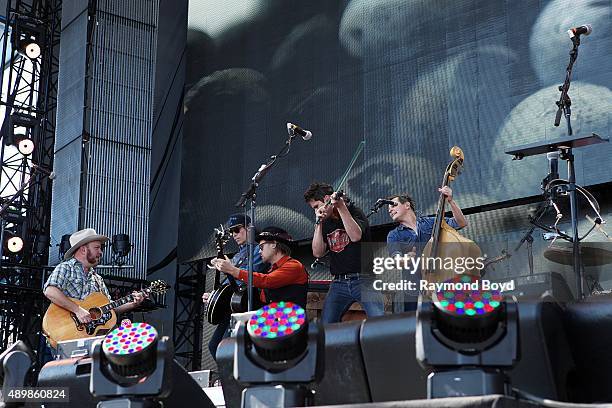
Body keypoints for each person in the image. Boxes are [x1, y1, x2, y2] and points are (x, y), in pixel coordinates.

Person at [43, 228, 145, 350]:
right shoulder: (66, 268)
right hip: (63, 334)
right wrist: (78, 310)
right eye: (97, 248)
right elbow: (50, 291)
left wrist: (132, 303)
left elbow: (109, 307)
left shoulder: (98, 279)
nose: (101, 252)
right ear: (83, 249)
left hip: (89, 340)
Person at [304, 182, 385, 323]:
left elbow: (355, 236)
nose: (316, 210)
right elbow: (318, 252)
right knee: (326, 324)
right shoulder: (325, 222)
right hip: (339, 282)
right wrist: (318, 223)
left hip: (363, 279)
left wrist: (340, 206)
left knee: (378, 320)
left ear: (327, 199)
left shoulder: (354, 212)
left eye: (316, 206)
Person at [386, 186, 467, 312]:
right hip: (414, 290)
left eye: (394, 206)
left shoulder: (431, 223)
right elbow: (395, 259)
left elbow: (460, 223)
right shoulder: (394, 235)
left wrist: (451, 201)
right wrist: (405, 259)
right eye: (389, 210)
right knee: (416, 324)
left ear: (407, 205)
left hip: (440, 282)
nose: (390, 210)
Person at [201, 213, 267, 359]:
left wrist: (230, 268)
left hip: (248, 306)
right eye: (231, 232)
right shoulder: (239, 254)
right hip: (232, 307)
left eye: (237, 230)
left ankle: (236, 380)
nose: (233, 234)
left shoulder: (258, 250)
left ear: (249, 229)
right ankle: (229, 379)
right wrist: (215, 296)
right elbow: (229, 283)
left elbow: (250, 275)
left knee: (227, 348)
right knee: (214, 346)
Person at [210, 226, 308, 308]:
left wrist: (232, 269)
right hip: (275, 319)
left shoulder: (293, 266)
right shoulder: (272, 269)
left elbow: (266, 281)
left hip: (290, 322)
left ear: (274, 245)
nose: (259, 251)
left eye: (261, 247)